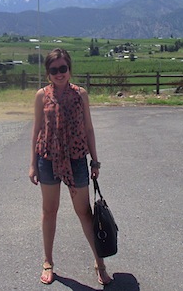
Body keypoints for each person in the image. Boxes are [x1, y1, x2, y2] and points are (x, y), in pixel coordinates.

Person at [28, 48, 113, 286]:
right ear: (48, 72)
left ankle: (100, 262)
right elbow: (36, 130)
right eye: (54, 69)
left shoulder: (80, 94)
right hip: (48, 159)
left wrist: (95, 160)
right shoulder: (41, 96)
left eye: (63, 68)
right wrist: (33, 164)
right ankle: (48, 262)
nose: (59, 73)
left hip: (76, 159)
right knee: (49, 211)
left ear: (69, 69)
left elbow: (89, 129)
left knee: (84, 212)